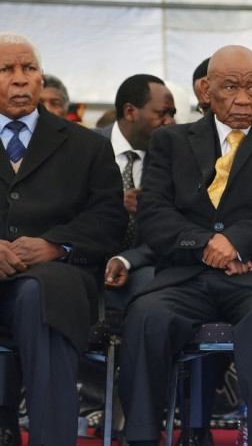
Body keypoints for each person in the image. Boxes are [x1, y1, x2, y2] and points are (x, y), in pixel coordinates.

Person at [119, 44, 252, 446]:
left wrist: (239, 241)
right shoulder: (171, 141)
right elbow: (154, 214)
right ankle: (141, 437)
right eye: (231, 87)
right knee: (146, 315)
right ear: (205, 89)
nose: (244, 99)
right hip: (186, 276)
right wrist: (207, 244)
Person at [0, 32, 127, 446]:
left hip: (56, 279)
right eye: (6, 70)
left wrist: (57, 245)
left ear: (41, 79)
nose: (20, 79)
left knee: (44, 295)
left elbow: (110, 220)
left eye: (29, 69)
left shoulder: (86, 145)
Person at [99, 74, 175, 313]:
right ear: (131, 112)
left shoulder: (173, 159)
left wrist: (127, 260)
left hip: (139, 267)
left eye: (173, 114)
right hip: (84, 262)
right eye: (162, 113)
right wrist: (112, 204)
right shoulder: (83, 146)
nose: (170, 122)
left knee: (164, 295)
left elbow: (171, 231)